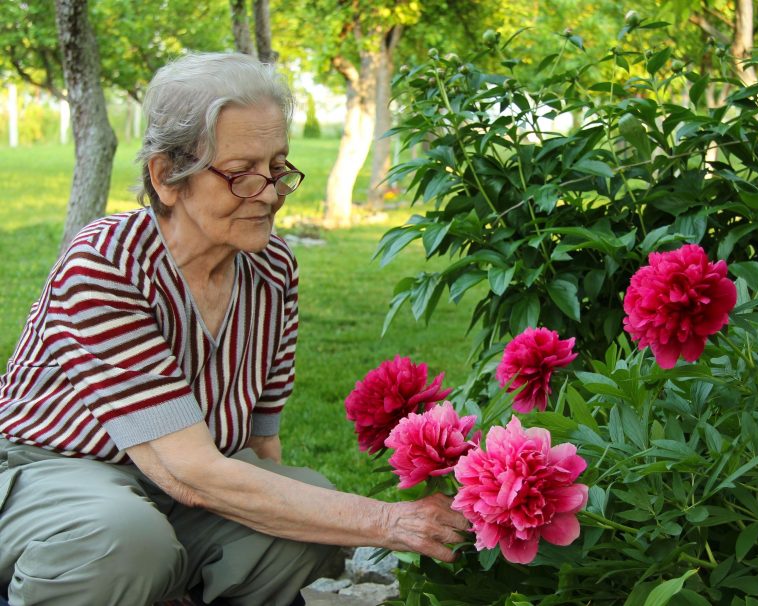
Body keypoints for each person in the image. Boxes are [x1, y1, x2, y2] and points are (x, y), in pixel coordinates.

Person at [0, 52, 468, 606]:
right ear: (167, 177)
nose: (269, 193)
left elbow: (259, 443)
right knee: (124, 542)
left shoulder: (273, 268)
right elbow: (187, 471)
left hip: (187, 483)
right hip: (59, 470)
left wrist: (302, 524)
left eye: (277, 168)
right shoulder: (106, 264)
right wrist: (391, 521)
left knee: (306, 516)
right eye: (242, 174)